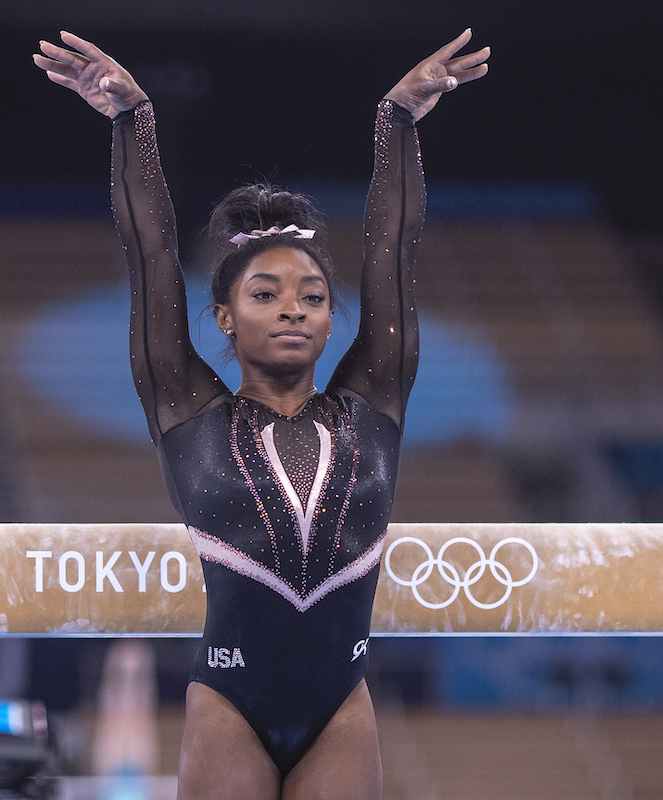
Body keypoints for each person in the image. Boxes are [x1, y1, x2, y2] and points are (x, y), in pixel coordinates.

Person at [34, 29, 489, 800]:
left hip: (341, 706)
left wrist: (398, 122)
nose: (293, 310)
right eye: (266, 294)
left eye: (313, 297)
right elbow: (149, 255)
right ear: (222, 318)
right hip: (229, 709)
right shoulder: (184, 406)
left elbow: (396, 246)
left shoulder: (373, 401)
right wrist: (133, 121)